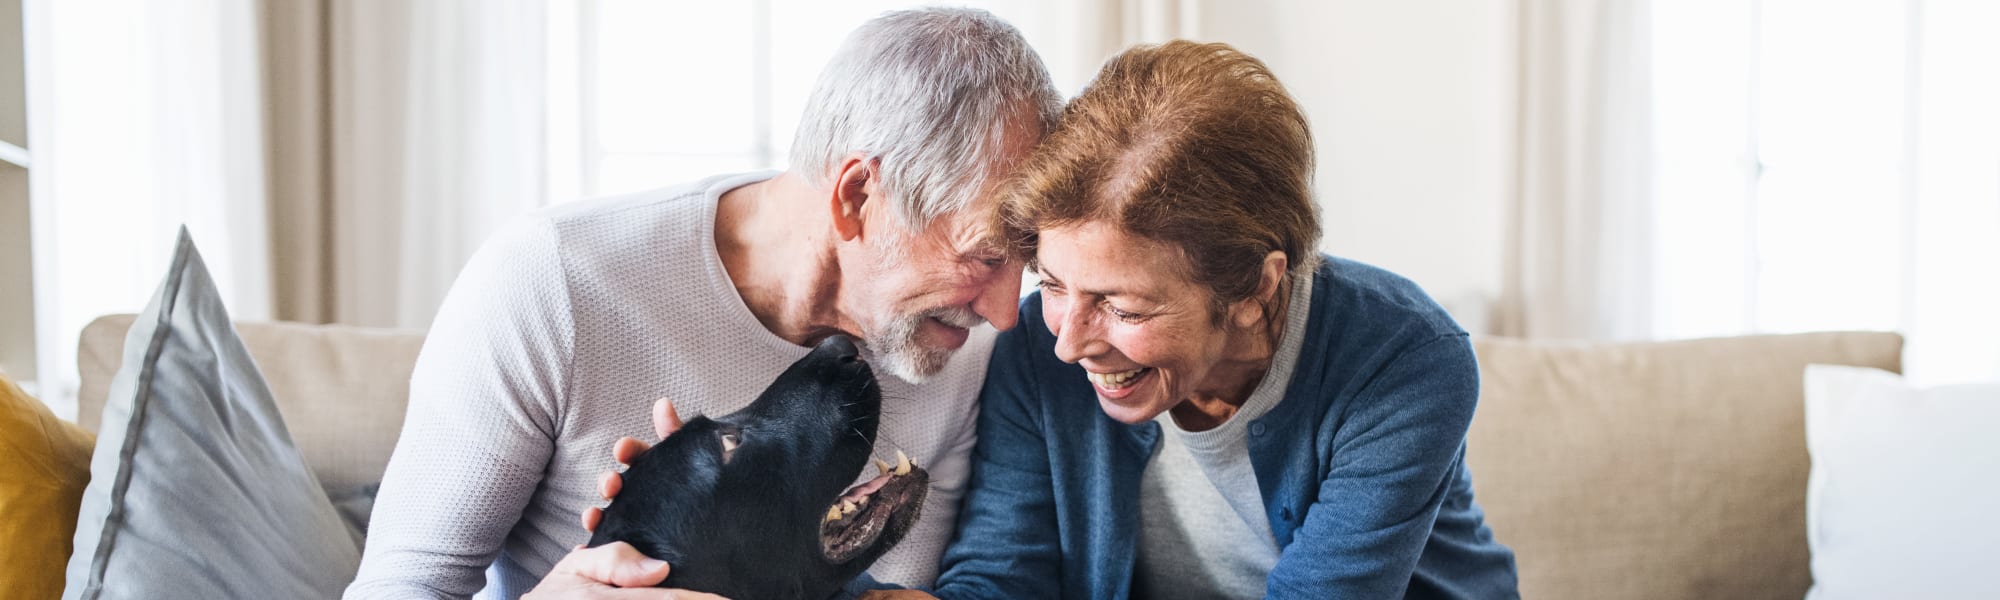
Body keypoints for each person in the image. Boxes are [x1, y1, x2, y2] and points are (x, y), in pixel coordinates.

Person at [343, 8, 1061, 599]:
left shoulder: (961, 342)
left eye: (1022, 265)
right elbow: (400, 586)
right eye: (984, 256)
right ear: (855, 197)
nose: (1005, 313)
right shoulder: (555, 280)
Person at [921, 41, 1520, 598]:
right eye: (1051, 283)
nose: (1069, 345)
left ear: (1256, 288)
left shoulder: (1405, 359)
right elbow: (1001, 573)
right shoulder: (1035, 343)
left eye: (1122, 307)